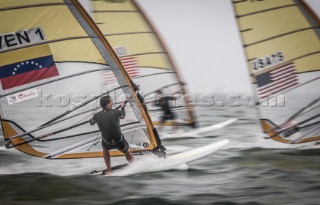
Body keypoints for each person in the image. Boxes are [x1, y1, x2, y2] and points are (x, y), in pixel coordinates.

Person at [90, 95, 133, 175]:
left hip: (107, 142)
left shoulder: (96, 115)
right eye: (111, 101)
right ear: (108, 103)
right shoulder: (117, 112)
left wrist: (92, 117)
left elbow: (91, 123)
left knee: (105, 149)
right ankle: (133, 163)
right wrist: (122, 107)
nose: (112, 102)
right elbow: (122, 116)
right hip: (119, 141)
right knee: (126, 151)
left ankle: (109, 170)